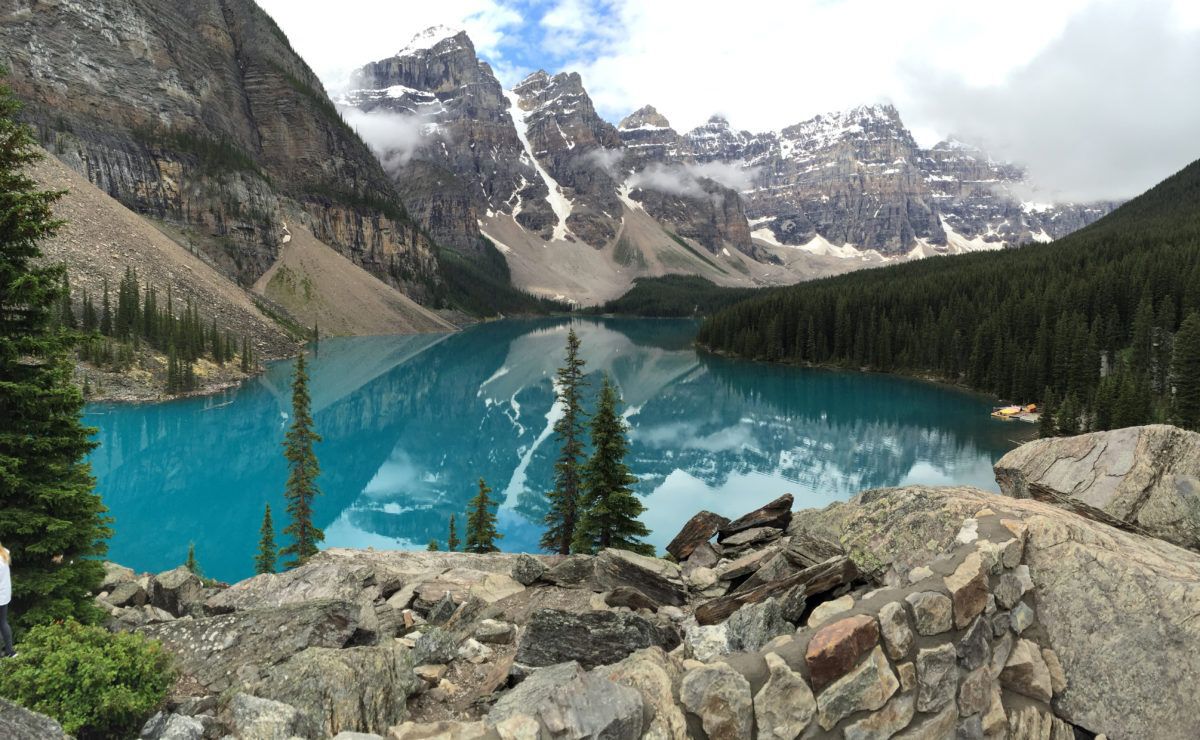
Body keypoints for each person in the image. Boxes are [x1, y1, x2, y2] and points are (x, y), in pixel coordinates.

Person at [0, 542, 13, 658]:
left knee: (2, 623)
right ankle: (10, 651)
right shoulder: (4, 553)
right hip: (4, 595)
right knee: (3, 622)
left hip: (1, 595)